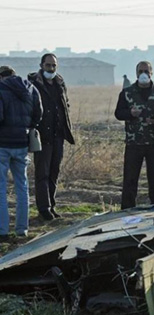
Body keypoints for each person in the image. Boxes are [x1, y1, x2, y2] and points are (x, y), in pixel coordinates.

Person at [115, 61, 154, 209]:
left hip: (153, 143)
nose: (143, 74)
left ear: (151, 73)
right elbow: (118, 113)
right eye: (140, 71)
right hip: (134, 143)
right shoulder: (127, 92)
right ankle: (127, 209)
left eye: (146, 71)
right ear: (136, 73)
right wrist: (130, 114)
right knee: (130, 179)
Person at [28, 53, 75, 221]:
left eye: (54, 65)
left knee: (54, 172)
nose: (51, 69)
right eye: (48, 65)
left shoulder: (60, 84)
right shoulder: (34, 84)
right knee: (42, 173)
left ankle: (52, 204)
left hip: (58, 135)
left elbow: (65, 104)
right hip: (42, 136)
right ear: (41, 65)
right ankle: (44, 208)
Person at [0, 66, 43, 240]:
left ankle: (2, 230)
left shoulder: (1, 88)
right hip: (22, 143)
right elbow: (38, 114)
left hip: (2, 144)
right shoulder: (31, 88)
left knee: (1, 188)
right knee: (22, 186)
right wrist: (27, 128)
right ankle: (22, 229)